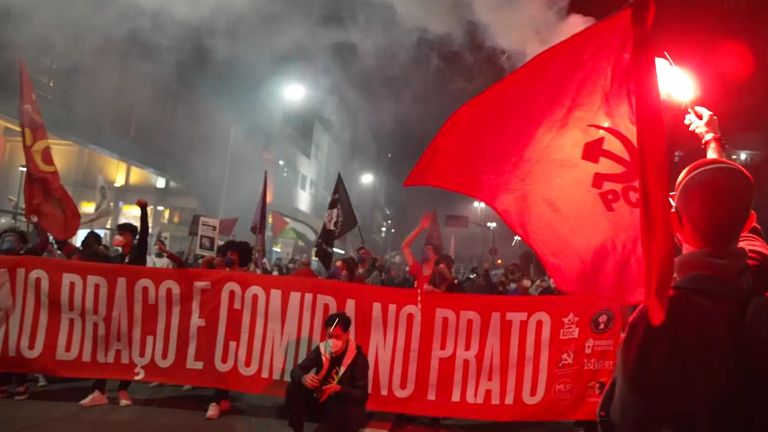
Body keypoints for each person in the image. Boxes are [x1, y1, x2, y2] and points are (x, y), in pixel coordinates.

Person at [601, 107, 768, 431]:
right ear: (748, 222)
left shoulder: (657, 318)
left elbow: (623, 421)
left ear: (674, 222)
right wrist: (711, 140)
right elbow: (730, 201)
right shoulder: (757, 273)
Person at [79, 199, 148, 408]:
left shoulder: (138, 254)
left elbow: (144, 235)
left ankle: (123, 390)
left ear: (131, 238)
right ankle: (99, 391)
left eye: (122, 234)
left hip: (132, 311)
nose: (118, 237)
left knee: (126, 352)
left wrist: (143, 210)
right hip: (113, 312)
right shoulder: (116, 259)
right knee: (105, 350)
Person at [286, 312, 369, 432]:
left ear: (347, 335)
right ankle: (297, 429)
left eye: (337, 337)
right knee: (294, 387)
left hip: (343, 407)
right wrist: (303, 378)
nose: (332, 341)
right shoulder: (322, 350)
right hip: (323, 400)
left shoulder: (358, 359)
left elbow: (361, 394)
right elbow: (296, 371)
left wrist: (339, 389)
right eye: (330, 336)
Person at [0, 215, 48, 401]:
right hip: (3, 312)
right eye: (5, 240)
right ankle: (3, 384)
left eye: (13, 239)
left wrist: (37, 222)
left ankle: (20, 383)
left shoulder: (27, 257)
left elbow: (43, 241)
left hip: (19, 312)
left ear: (21, 244)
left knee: (16, 347)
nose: (9, 242)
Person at [206, 240, 253, 419]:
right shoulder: (222, 273)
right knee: (221, 362)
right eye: (228, 254)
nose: (229, 257)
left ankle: (222, 398)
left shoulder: (250, 275)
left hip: (240, 326)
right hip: (221, 324)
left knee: (229, 365)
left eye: (233, 255)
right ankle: (217, 401)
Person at [401, 212, 439, 290]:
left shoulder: (438, 274)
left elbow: (448, 298)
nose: (425, 252)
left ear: (435, 256)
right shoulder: (418, 269)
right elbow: (405, 247)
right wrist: (420, 228)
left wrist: (434, 291)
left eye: (428, 250)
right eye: (424, 250)